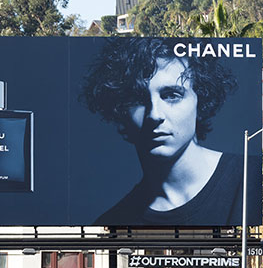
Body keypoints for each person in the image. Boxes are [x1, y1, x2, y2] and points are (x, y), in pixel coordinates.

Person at [81, 38, 241, 226]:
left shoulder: (248, 179)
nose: (154, 115)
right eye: (138, 99)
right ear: (119, 110)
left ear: (201, 100)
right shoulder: (113, 222)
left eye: (172, 95)